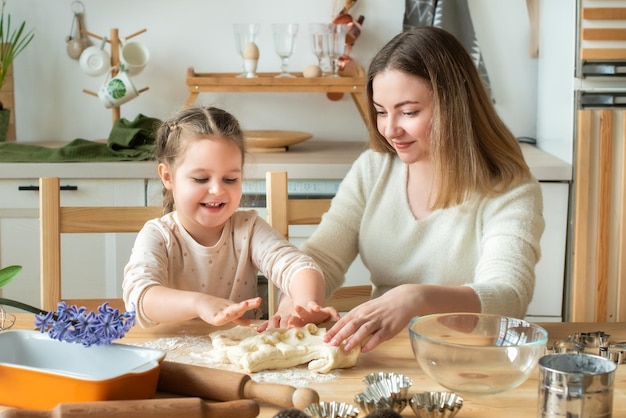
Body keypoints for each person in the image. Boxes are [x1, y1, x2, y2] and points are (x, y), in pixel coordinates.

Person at [267, 26, 545, 353]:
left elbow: (509, 297)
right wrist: (300, 301)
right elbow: (323, 258)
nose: (389, 129)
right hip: (383, 353)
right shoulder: (374, 167)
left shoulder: (510, 188)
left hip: (469, 357)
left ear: (455, 105)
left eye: (409, 112)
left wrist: (415, 298)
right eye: (381, 112)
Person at [123, 106, 338, 328]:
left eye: (230, 179)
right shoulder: (159, 235)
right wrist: (198, 303)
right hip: (172, 354)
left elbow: (298, 266)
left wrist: (303, 304)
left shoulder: (248, 228)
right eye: (200, 179)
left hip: (241, 355)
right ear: (168, 177)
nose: (217, 190)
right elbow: (140, 297)